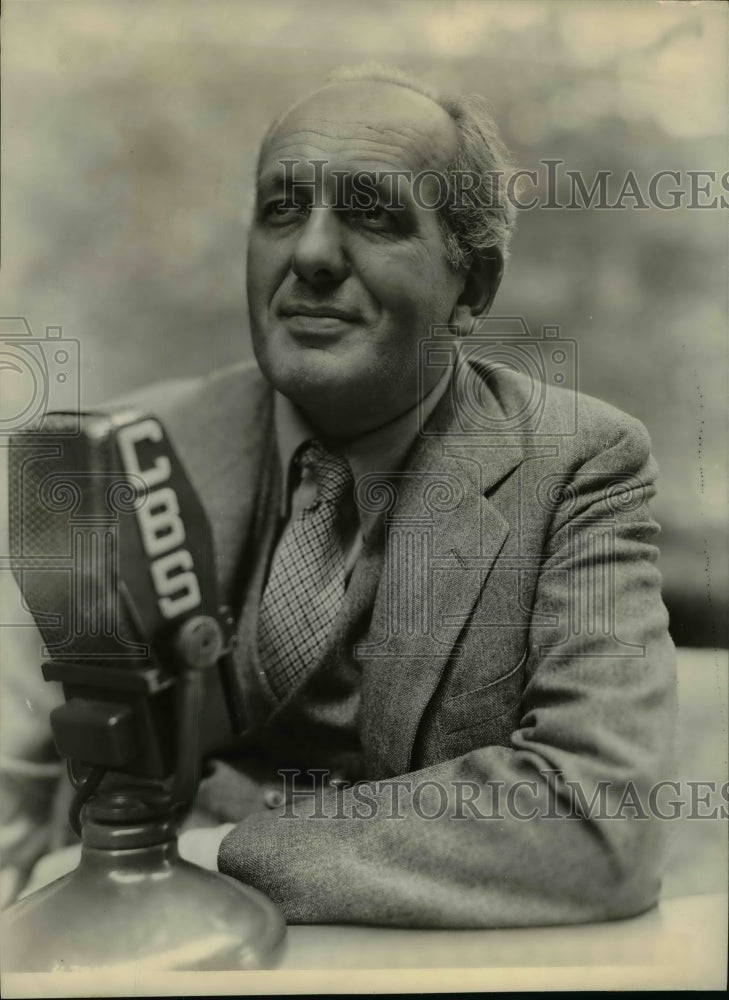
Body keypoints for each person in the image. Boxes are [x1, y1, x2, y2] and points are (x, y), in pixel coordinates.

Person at [1, 67, 676, 927]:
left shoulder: (578, 464)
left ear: (471, 289)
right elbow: (19, 778)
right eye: (281, 209)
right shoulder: (128, 451)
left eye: (372, 213)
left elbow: (598, 824)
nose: (311, 255)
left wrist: (207, 858)